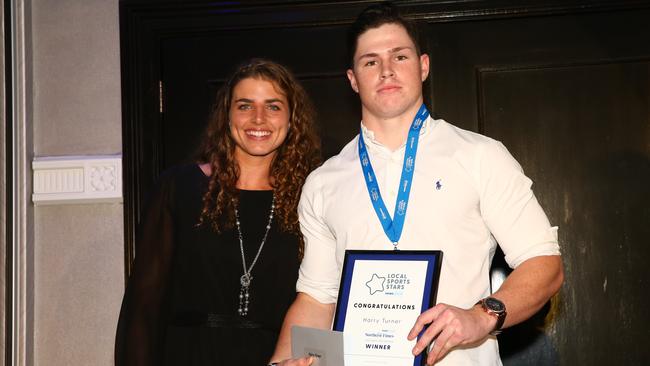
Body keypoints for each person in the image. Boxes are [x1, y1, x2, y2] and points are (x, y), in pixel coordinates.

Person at [269, 3, 563, 366]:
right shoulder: (322, 182)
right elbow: (316, 297)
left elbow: (544, 263)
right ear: (352, 79)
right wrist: (280, 362)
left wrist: (480, 315)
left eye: (400, 56)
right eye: (370, 61)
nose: (387, 70)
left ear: (423, 66)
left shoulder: (480, 156)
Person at [114, 58, 321, 365]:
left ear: (292, 120)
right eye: (245, 105)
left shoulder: (311, 197)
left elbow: (320, 297)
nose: (259, 118)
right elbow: (144, 305)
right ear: (227, 115)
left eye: (274, 106)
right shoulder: (178, 187)